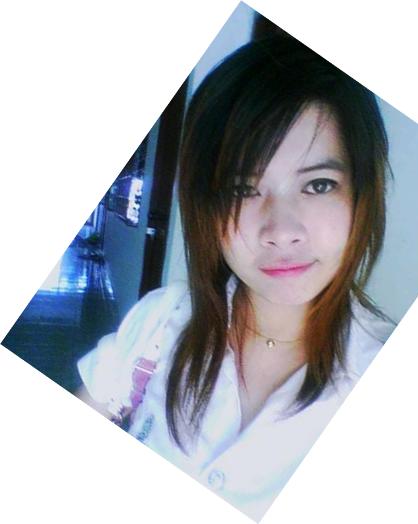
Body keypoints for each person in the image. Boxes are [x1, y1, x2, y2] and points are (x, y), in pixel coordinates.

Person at [76, 34, 394, 521]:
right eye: (243, 190)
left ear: (361, 196)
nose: (280, 231)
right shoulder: (161, 321)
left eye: (318, 185)